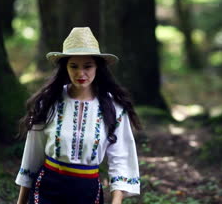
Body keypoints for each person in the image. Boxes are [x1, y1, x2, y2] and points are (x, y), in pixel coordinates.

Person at [15, 27, 141, 204]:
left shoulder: (114, 108)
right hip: (47, 189)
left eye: (87, 66)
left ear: (98, 67)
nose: (80, 73)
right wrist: (21, 201)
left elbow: (121, 157)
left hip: (87, 193)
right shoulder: (49, 101)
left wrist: (116, 200)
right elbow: (32, 154)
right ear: (65, 68)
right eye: (73, 66)